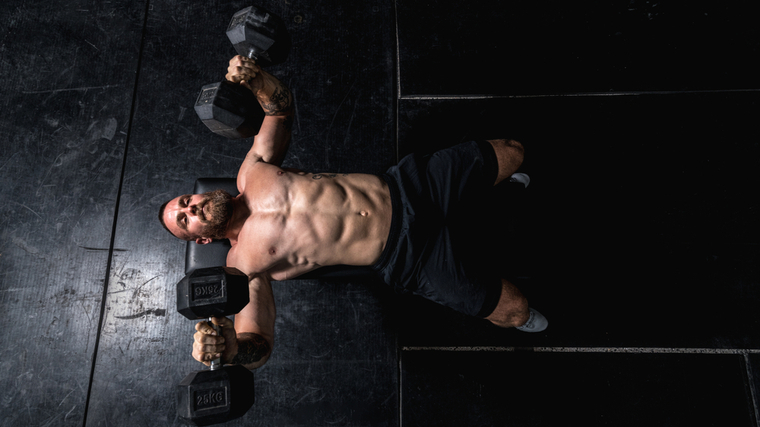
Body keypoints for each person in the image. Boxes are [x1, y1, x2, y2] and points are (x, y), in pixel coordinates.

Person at [159, 56, 548, 371]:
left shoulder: (253, 171)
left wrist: (257, 78)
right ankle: (487, 203)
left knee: (514, 151)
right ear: (201, 238)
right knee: (516, 312)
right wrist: (230, 350)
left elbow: (280, 109)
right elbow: (259, 345)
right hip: (409, 257)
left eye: (184, 202)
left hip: (410, 187)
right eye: (185, 219)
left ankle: (489, 190)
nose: (190, 207)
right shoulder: (241, 268)